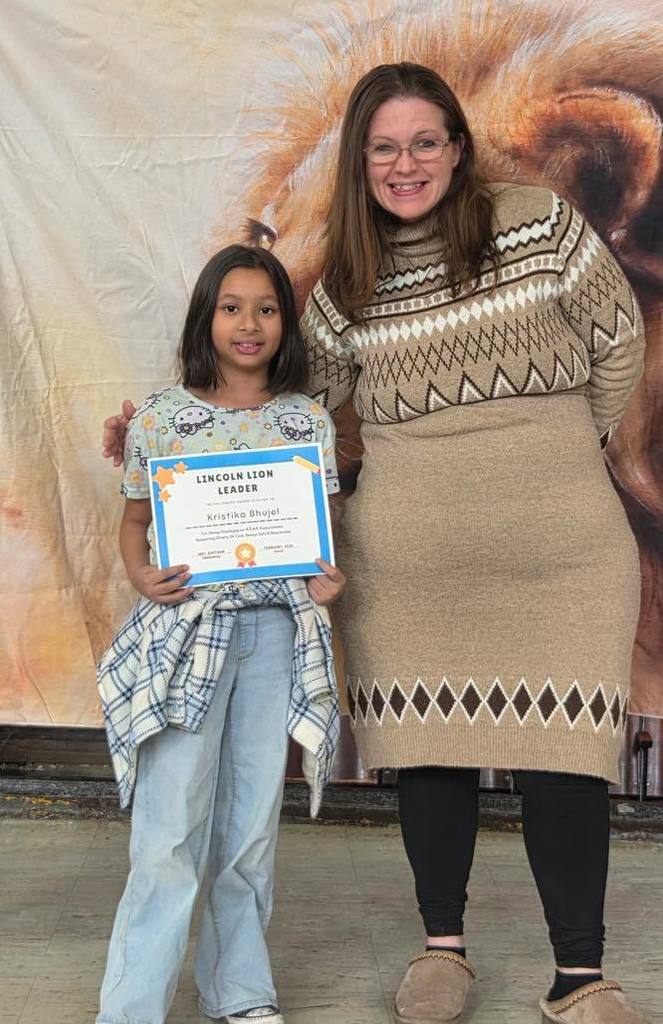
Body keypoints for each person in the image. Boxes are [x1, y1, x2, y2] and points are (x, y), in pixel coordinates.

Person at [102, 64, 649, 1024]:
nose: (405, 165)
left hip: (563, 549)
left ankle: (578, 976)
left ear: (457, 146)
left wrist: (552, 449)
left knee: (567, 753)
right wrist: (169, 432)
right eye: (383, 147)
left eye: (424, 142)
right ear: (362, 161)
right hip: (406, 559)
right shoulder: (349, 276)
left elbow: (616, 349)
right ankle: (443, 949)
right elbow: (289, 400)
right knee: (427, 749)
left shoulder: (541, 222)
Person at [96, 243, 346, 1024]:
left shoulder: (306, 420)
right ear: (206, 317)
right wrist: (141, 575)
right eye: (231, 307)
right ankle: (131, 1007)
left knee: (249, 829)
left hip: (275, 635)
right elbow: (134, 525)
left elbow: (320, 532)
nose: (249, 324)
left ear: (284, 323)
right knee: (169, 831)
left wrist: (324, 577)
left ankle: (238, 991)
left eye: (266, 309)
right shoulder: (164, 418)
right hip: (184, 638)